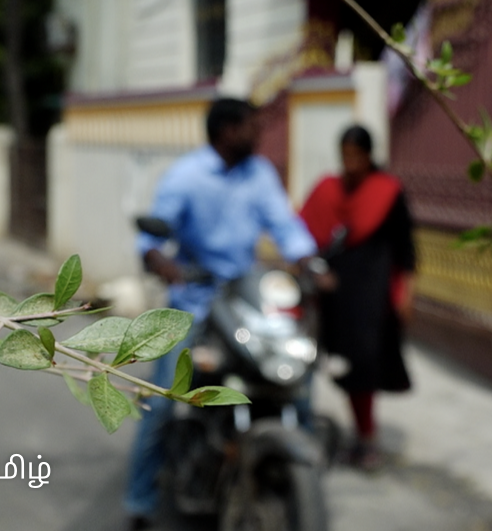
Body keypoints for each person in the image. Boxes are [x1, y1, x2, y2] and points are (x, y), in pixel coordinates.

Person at [124, 98, 318, 530]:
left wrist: (310, 263)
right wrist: (166, 266)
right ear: (227, 131)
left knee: (296, 376)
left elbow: (286, 228)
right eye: (251, 126)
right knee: (161, 403)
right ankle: (140, 499)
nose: (259, 134)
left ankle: (305, 472)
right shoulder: (187, 176)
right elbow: (152, 241)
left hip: (247, 300)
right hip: (194, 305)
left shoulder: (260, 174)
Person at [298, 124, 416, 471]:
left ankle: (368, 439)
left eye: (356, 156)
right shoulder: (328, 190)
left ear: (368, 156)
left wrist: (405, 293)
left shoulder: (387, 192)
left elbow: (406, 251)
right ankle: (357, 436)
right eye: (345, 155)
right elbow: (302, 234)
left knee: (366, 367)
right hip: (335, 297)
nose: (350, 163)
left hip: (372, 297)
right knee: (344, 369)